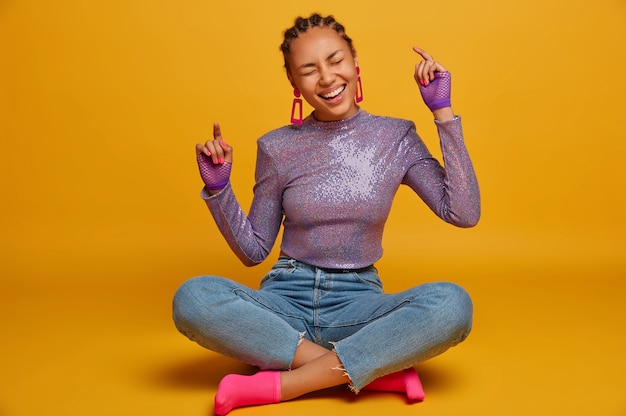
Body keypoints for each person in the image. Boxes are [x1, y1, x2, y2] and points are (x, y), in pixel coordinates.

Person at [173, 13, 480, 416]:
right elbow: (254, 251)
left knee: (452, 305)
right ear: (294, 82)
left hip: (360, 307)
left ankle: (284, 385)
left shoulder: (396, 137)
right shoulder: (277, 148)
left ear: (355, 64)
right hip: (284, 305)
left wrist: (443, 112)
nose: (327, 78)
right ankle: (371, 370)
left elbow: (463, 211)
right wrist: (219, 190)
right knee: (192, 298)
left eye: (335, 61)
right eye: (309, 70)